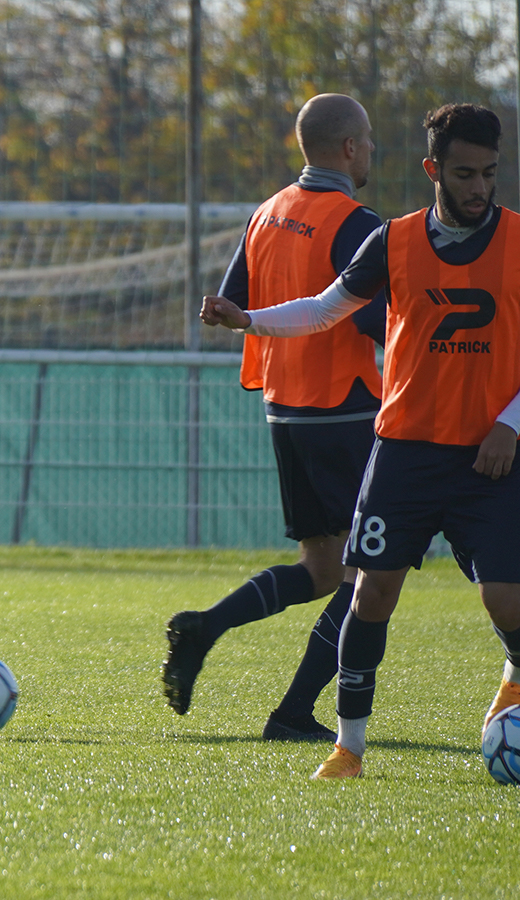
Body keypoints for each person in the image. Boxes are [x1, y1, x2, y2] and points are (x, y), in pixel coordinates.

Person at [200, 103, 520, 779]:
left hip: (489, 455)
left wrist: (510, 424)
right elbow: (322, 310)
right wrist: (247, 319)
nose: (479, 188)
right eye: (464, 173)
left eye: (490, 174)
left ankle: (515, 674)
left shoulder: (519, 242)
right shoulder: (394, 241)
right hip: (403, 450)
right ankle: (348, 747)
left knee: (506, 599)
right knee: (371, 592)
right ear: (434, 169)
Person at [162, 94, 386, 742]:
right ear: (348, 148)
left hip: (284, 410)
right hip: (344, 408)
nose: (371, 150)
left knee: (320, 569)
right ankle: (292, 714)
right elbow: (374, 319)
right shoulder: (354, 221)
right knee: (369, 570)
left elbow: (230, 301)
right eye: (368, 140)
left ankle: (205, 626)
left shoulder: (269, 212)